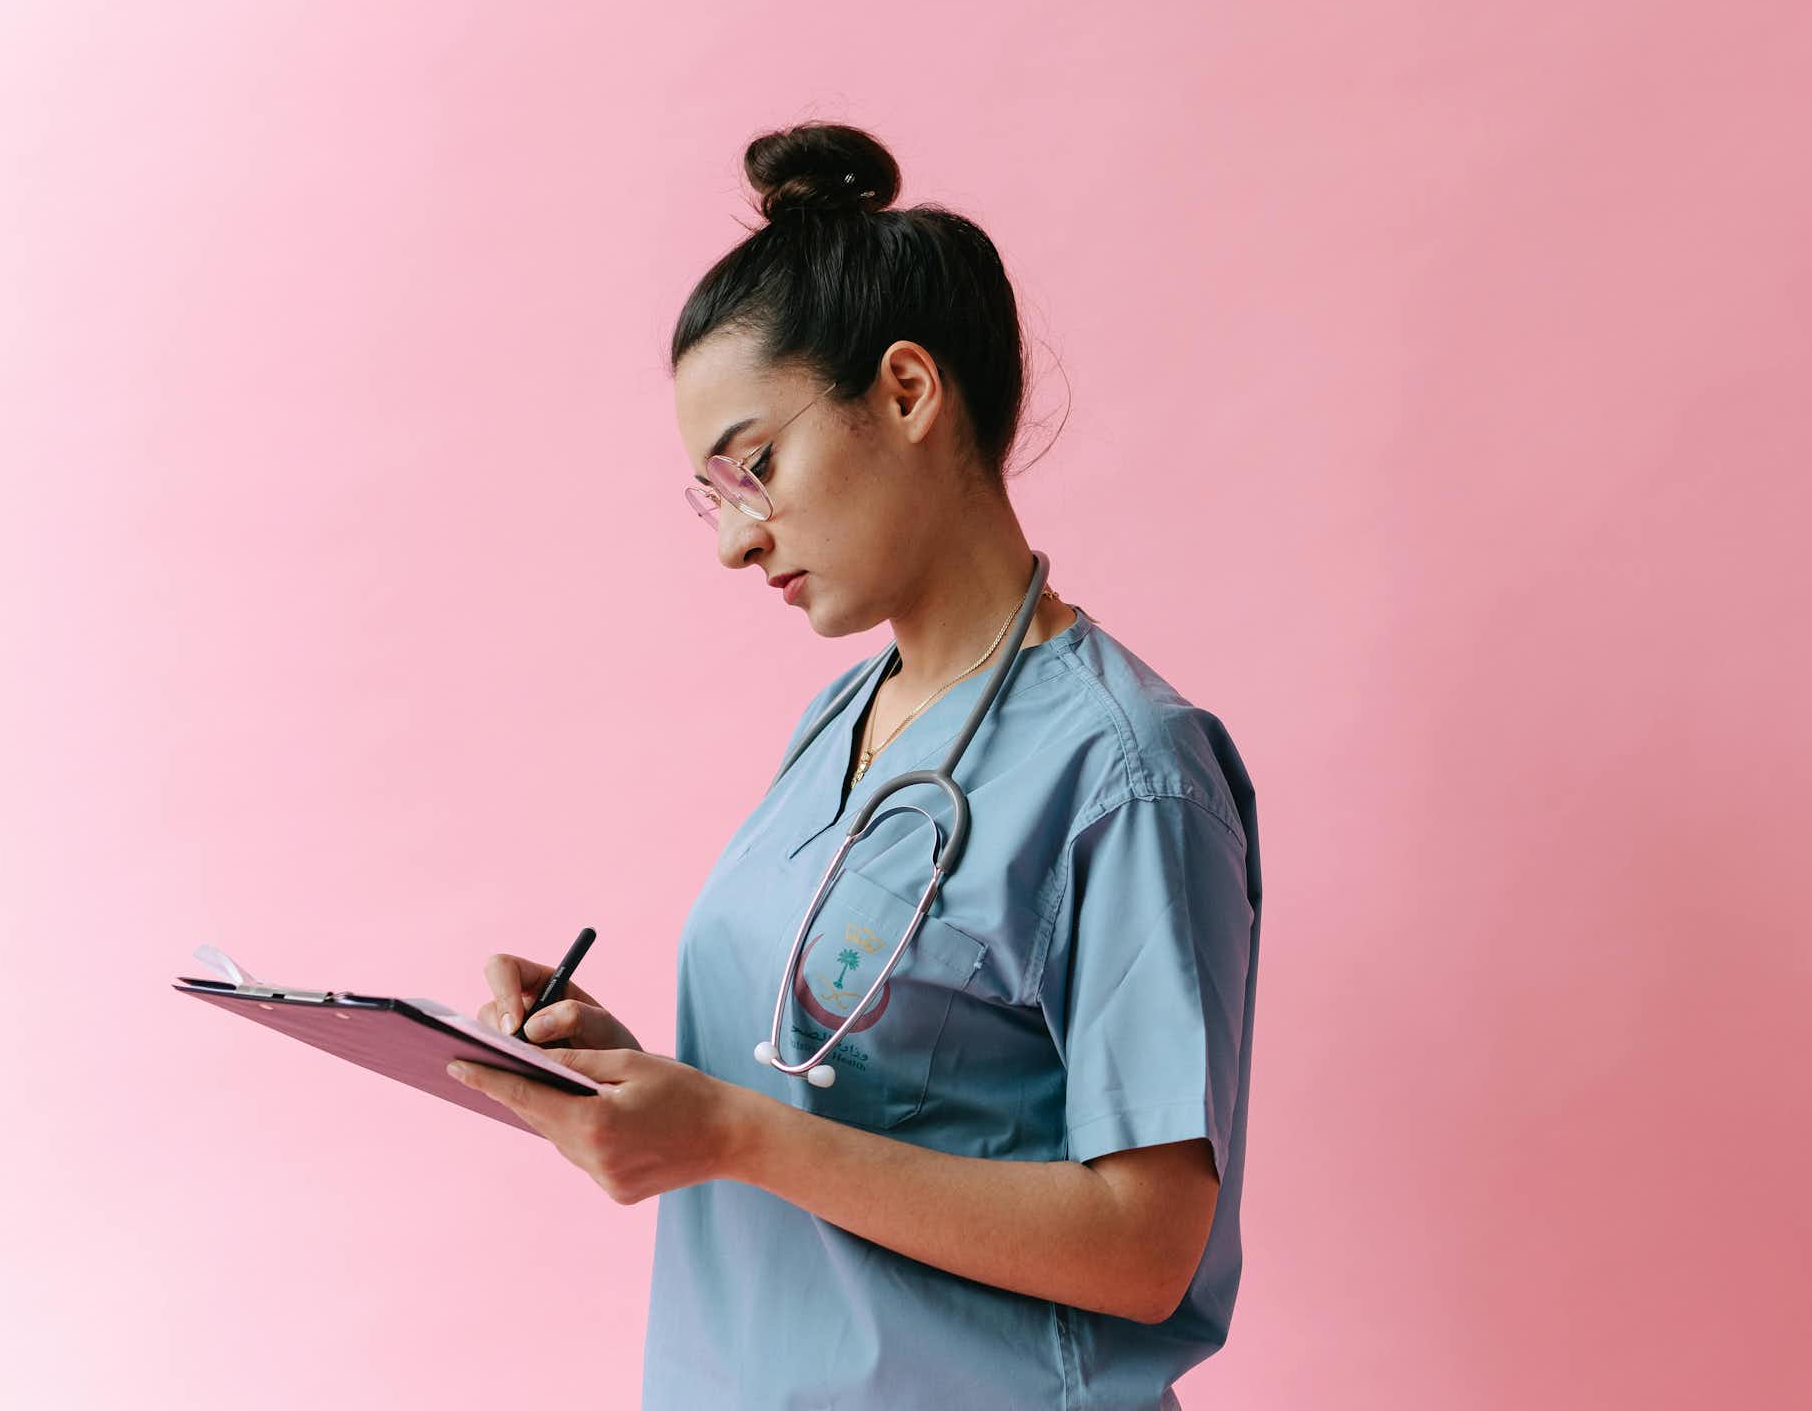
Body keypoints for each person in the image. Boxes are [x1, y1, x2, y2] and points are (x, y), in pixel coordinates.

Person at [445, 121, 1262, 1410]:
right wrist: (632, 1080)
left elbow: (1148, 1246)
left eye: (754, 466)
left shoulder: (1127, 772)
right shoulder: (841, 721)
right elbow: (828, 1084)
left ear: (906, 392)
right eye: (709, 495)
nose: (732, 543)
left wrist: (731, 1133)